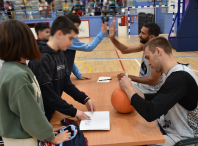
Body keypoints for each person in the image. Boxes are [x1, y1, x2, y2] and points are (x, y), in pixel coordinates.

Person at [0, 19, 71, 146]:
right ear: (24, 43)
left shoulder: (12, 67)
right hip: (22, 139)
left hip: (23, 135)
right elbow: (30, 116)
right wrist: (52, 138)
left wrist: (45, 131)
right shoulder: (18, 75)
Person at [119, 36, 198, 146]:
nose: (148, 63)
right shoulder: (172, 72)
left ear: (158, 51)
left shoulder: (180, 77)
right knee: (131, 128)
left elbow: (150, 113)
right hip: (169, 128)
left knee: (136, 141)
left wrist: (128, 89)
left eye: (148, 57)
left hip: (184, 138)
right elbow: (162, 96)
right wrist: (140, 96)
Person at [28, 16, 95, 121]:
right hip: (40, 120)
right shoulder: (41, 59)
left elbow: (66, 84)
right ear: (59, 34)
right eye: (70, 38)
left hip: (52, 113)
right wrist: (74, 111)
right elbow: (48, 96)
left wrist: (84, 98)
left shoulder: (60, 54)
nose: (71, 43)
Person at [109, 20, 164, 94]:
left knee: (118, 91)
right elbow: (125, 50)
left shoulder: (156, 54)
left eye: (143, 33)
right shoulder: (145, 46)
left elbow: (153, 81)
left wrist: (128, 77)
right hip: (142, 85)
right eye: (140, 32)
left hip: (151, 90)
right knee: (117, 84)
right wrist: (112, 39)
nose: (139, 35)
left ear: (151, 37)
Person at [64, 13, 107, 80]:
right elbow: (89, 47)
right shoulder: (69, 38)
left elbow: (67, 60)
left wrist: (78, 74)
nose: (78, 28)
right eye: (76, 26)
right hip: (59, 78)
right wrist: (102, 33)